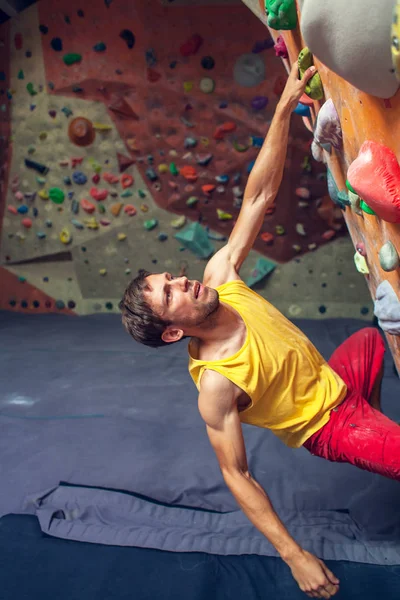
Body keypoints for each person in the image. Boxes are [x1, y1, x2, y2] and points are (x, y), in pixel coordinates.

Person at [119, 63, 400, 599]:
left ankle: (378, 437)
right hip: (330, 426)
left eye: (171, 277)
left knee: (368, 341)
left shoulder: (220, 278)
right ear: (174, 333)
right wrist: (295, 556)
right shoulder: (217, 384)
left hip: (337, 382)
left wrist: (282, 107)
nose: (182, 281)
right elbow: (238, 477)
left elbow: (257, 197)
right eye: (170, 293)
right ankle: (376, 445)